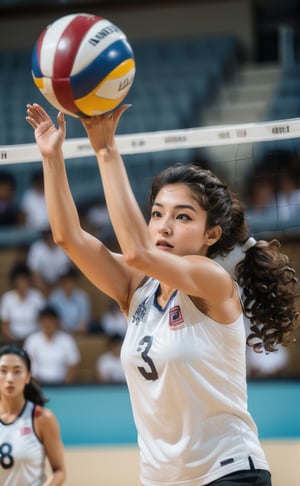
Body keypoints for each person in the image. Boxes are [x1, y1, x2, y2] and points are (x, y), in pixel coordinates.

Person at [26, 102, 300, 486]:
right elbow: (67, 237)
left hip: (228, 473)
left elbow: (139, 251)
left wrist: (106, 151)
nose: (165, 226)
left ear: (212, 235)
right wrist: (52, 158)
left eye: (183, 216)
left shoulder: (213, 280)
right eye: (157, 214)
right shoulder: (135, 288)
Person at [0, 343, 66, 485]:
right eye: (3, 371)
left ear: (28, 377)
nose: (10, 378)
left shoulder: (42, 418)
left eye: (17, 371)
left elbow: (59, 471)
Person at [23, 304, 80, 386]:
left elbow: (72, 366)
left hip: (62, 385)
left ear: (57, 322)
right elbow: (27, 366)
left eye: (51, 320)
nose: (48, 324)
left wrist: (65, 387)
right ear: (40, 322)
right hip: (39, 384)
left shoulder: (67, 340)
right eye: (44, 321)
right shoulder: (32, 341)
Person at [0, 261, 45, 341]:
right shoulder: (7, 298)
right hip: (14, 339)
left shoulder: (37, 296)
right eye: (19, 280)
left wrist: (35, 340)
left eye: (25, 280)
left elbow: (44, 320)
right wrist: (13, 340)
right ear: (14, 282)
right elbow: (4, 325)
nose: (22, 283)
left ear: (29, 281)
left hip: (34, 339)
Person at [26, 225, 71, 297]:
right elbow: (34, 272)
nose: (50, 236)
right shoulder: (36, 248)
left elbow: (66, 271)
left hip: (60, 287)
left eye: (52, 232)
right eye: (48, 233)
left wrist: (55, 288)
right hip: (40, 287)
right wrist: (43, 288)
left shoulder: (63, 248)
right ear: (44, 234)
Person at [48, 266, 92, 334]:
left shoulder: (82, 297)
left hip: (79, 335)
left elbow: (83, 324)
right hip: (60, 335)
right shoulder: (55, 297)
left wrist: (74, 332)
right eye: (65, 280)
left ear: (74, 281)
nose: (68, 283)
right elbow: (53, 321)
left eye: (70, 280)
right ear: (61, 281)